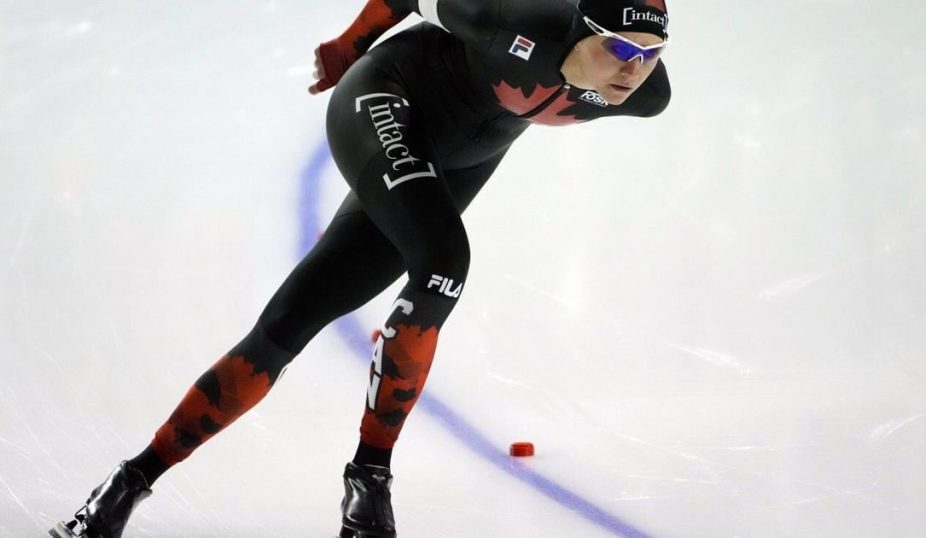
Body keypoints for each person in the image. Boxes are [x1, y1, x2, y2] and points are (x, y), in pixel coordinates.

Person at [49, 0, 670, 536]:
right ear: (578, 25)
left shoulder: (646, 93)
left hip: (452, 165)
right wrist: (349, 45)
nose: (634, 69)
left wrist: (635, 60)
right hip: (383, 100)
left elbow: (637, 74)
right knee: (444, 261)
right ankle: (370, 481)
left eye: (652, 52)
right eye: (620, 47)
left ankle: (128, 482)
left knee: (292, 320)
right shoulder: (513, 16)